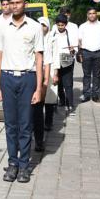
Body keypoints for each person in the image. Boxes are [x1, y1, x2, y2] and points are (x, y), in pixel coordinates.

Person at [0, 0, 43, 183]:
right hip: (6, 78)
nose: (14, 6)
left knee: (25, 124)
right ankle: (12, 163)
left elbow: (39, 58)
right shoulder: (2, 27)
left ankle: (24, 165)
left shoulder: (35, 27)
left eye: (18, 3)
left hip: (27, 78)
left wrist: (39, 88)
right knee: (10, 125)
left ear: (25, 4)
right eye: (11, 3)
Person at [33, 16, 59, 152]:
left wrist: (46, 79)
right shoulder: (31, 37)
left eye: (43, 25)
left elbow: (49, 60)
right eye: (39, 25)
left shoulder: (50, 40)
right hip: (27, 78)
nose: (41, 27)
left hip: (43, 76)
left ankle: (39, 140)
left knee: (41, 107)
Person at [78, 7, 100, 102]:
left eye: (93, 13)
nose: (92, 15)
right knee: (86, 75)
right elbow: (79, 41)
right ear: (87, 15)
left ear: (96, 14)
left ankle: (95, 95)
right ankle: (86, 95)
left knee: (96, 75)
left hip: (98, 53)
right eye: (90, 13)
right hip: (86, 52)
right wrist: (80, 54)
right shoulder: (82, 26)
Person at [51, 7, 78, 106]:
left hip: (67, 58)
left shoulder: (71, 31)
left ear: (66, 25)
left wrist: (73, 50)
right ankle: (62, 101)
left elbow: (75, 45)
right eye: (59, 25)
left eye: (62, 25)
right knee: (58, 82)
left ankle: (70, 103)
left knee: (68, 83)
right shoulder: (53, 31)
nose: (60, 27)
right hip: (56, 58)